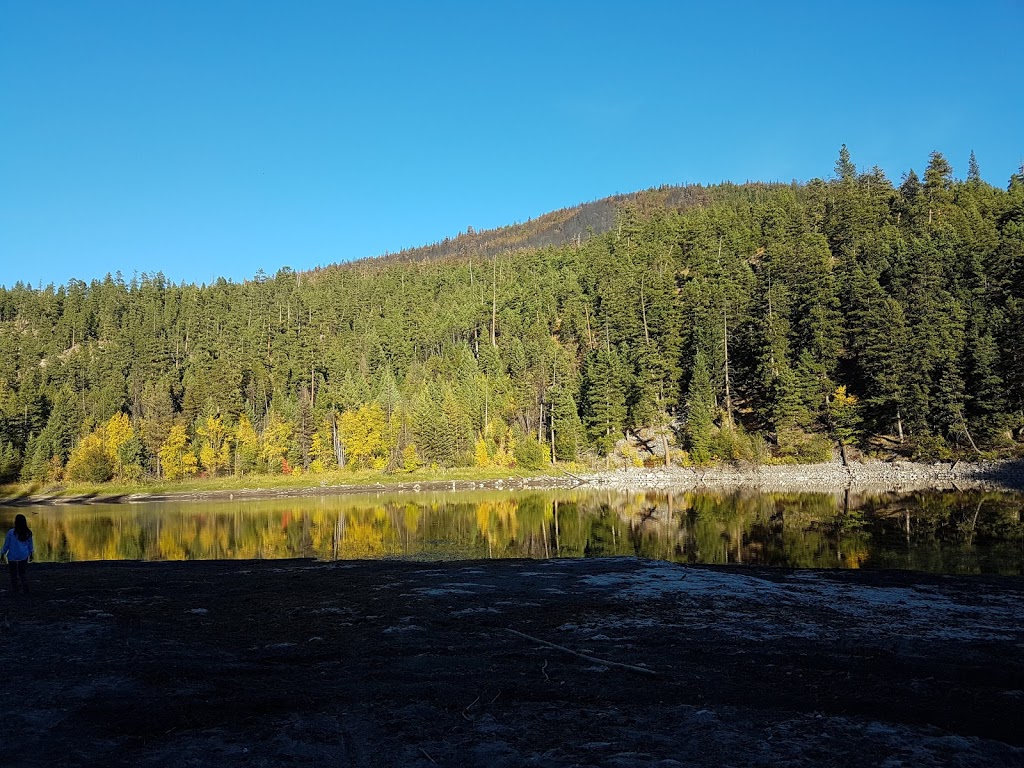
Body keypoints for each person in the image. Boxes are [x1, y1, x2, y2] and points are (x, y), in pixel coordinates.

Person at [2, 514, 33, 594]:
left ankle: (16, 589)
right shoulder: (28, 532)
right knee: (22, 573)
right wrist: (31, 553)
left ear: (16, 522)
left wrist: (2, 553)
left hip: (12, 556)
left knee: (13, 574)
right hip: (23, 555)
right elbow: (30, 545)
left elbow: (6, 545)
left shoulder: (11, 532)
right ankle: (26, 588)